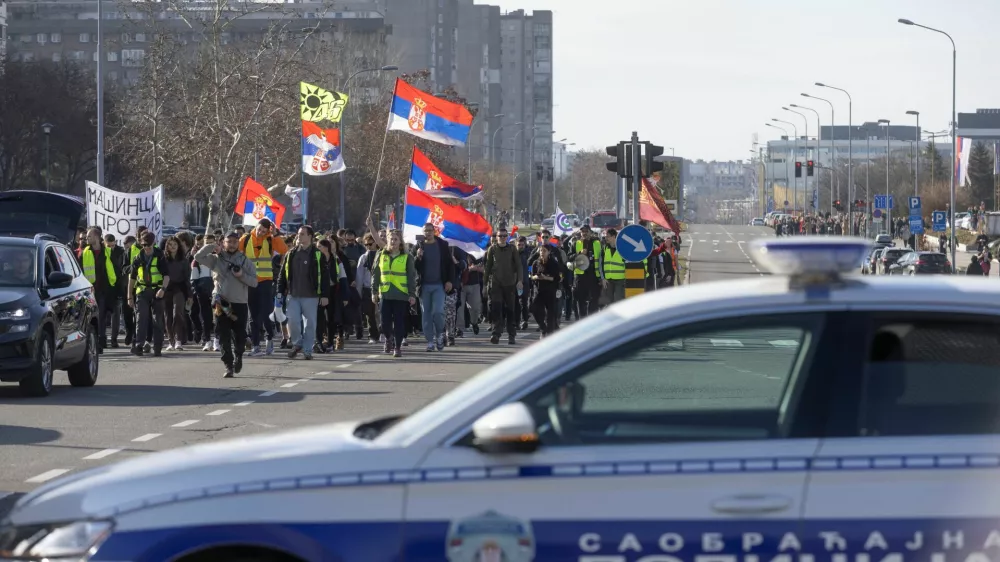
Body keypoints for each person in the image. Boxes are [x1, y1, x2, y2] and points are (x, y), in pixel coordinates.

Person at [194, 231, 257, 377]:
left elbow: (254, 282)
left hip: (239, 303)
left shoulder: (245, 261)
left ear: (238, 243)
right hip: (221, 303)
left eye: (235, 241)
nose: (232, 244)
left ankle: (238, 356)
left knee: (239, 335)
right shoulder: (216, 259)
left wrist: (241, 275)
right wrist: (212, 246)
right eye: (229, 241)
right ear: (224, 243)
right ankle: (228, 365)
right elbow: (198, 256)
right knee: (223, 335)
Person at [276, 225, 331, 361]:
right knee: (293, 322)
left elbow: (324, 276)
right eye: (298, 234)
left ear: (310, 237)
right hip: (293, 295)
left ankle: (307, 350)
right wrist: (279, 291)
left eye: (302, 234)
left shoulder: (318, 255)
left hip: (311, 296)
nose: (298, 236)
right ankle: (297, 344)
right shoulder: (291, 253)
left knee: (310, 324)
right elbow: (282, 274)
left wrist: (324, 295)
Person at [239, 218, 287, 357]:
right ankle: (255, 346)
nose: (260, 233)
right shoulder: (246, 238)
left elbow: (284, 249)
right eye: (259, 229)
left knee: (266, 312)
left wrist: (276, 235)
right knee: (253, 315)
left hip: (266, 281)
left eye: (264, 231)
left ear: (268, 231)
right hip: (250, 281)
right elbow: (235, 253)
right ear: (256, 226)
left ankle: (269, 339)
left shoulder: (271, 239)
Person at [371, 229, 417, 357]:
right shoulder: (381, 254)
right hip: (385, 293)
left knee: (399, 322)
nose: (393, 241)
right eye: (391, 239)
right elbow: (376, 274)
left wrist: (412, 294)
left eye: (396, 239)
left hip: (401, 294)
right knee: (384, 322)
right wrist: (374, 291)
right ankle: (388, 338)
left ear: (400, 242)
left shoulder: (407, 257)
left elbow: (411, 277)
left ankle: (397, 347)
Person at [127, 232, 170, 357]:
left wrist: (163, 289)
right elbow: (132, 278)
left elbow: (166, 276)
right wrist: (129, 296)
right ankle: (139, 345)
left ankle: (157, 347)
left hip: (157, 291)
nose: (146, 248)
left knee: (157, 320)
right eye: (144, 245)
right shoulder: (138, 257)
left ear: (154, 243)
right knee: (141, 319)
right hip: (142, 291)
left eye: (149, 245)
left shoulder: (160, 255)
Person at [413, 223, 455, 352]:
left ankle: (440, 335)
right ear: (423, 232)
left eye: (430, 230)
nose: (428, 233)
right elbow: (414, 267)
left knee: (438, 312)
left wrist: (449, 281)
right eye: (426, 231)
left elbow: (449, 264)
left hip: (439, 285)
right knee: (426, 314)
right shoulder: (418, 247)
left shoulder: (442, 245)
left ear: (434, 231)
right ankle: (430, 341)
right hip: (424, 286)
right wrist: (418, 257)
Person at [81, 226, 119, 354]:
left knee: (101, 316)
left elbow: (115, 269)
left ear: (97, 237)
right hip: (90, 290)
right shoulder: (85, 252)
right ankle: (94, 341)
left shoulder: (107, 251)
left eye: (89, 236)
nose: (87, 238)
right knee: (93, 317)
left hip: (105, 290)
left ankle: (101, 341)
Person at [483, 227, 523, 345]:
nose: (502, 238)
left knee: (510, 310)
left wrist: (520, 280)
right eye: (500, 236)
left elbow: (519, 266)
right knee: (496, 309)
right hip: (496, 284)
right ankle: (496, 334)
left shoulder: (512, 249)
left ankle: (511, 334)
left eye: (505, 236)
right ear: (496, 237)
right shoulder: (492, 249)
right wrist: (484, 285)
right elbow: (488, 267)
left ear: (507, 237)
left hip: (510, 284)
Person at [530, 244, 562, 336]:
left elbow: (557, 278)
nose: (542, 253)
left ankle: (549, 333)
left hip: (550, 291)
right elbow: (532, 276)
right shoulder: (536, 263)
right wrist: (537, 277)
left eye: (544, 251)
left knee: (550, 315)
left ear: (548, 252)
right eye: (540, 251)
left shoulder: (553, 263)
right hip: (539, 291)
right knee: (534, 309)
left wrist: (546, 278)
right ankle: (542, 326)